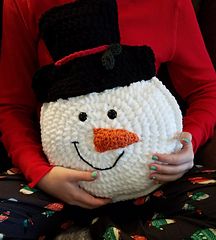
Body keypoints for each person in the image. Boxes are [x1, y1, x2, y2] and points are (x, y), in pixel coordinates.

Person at [0, 0, 216, 239]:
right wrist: (40, 173)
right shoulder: (24, 4)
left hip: (156, 178)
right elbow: (12, 106)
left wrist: (188, 142)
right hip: (53, 181)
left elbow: (206, 89)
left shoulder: (170, 4)